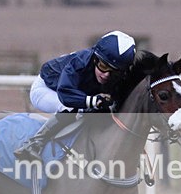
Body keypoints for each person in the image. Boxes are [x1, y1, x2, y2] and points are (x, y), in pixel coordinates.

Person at [14, 30, 136, 161]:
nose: (106, 74)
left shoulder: (118, 73)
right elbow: (65, 94)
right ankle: (33, 144)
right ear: (95, 58)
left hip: (77, 93)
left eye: (114, 72)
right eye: (103, 66)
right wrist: (93, 101)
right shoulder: (80, 62)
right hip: (48, 89)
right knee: (73, 108)